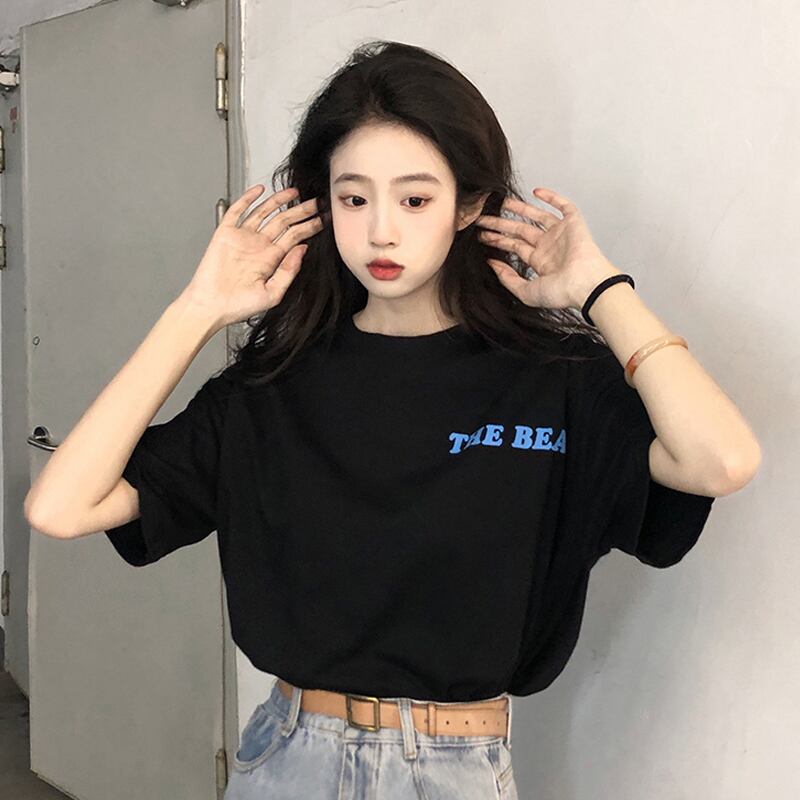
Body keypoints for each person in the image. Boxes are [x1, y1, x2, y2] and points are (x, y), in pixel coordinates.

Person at [25, 40, 761, 800]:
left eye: (414, 200)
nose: (381, 231)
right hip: (287, 762)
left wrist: (600, 289)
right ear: (323, 204)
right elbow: (61, 507)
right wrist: (198, 308)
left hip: (454, 769)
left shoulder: (554, 382)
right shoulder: (270, 387)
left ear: (468, 205)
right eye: (354, 199)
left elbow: (722, 460)